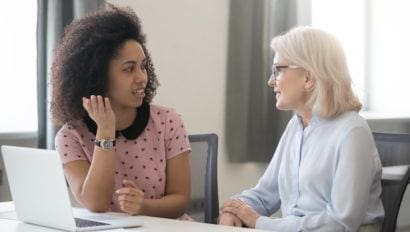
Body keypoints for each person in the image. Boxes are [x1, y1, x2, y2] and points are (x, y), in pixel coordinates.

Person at [219, 26, 384, 231]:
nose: (271, 81)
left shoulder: (352, 132)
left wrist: (259, 222)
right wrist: (233, 208)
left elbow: (340, 223)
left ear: (308, 78)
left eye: (278, 70)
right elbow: (265, 194)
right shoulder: (296, 126)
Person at [51, 6, 191, 219]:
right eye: (129, 69)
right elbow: (96, 204)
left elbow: (180, 200)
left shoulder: (168, 121)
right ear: (97, 75)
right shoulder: (69, 137)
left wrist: (143, 206)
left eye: (143, 66)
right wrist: (106, 130)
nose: (142, 77)